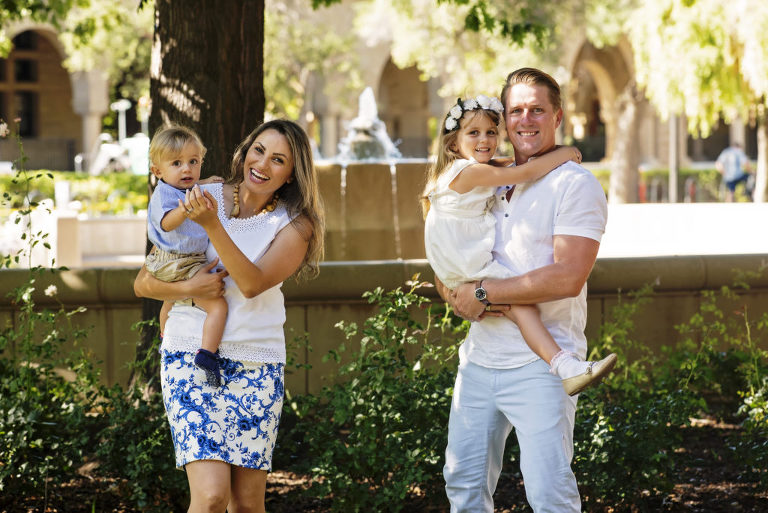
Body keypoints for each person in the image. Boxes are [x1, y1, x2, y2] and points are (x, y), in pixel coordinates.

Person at [437, 68, 609, 512]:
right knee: (464, 487)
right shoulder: (487, 178)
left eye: (537, 109)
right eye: (516, 110)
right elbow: (450, 246)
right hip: (478, 361)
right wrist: (453, 291)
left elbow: (567, 276)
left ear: (558, 116)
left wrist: (484, 293)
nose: (526, 119)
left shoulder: (576, 184)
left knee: (549, 495)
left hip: (540, 368)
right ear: (505, 120)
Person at [134, 119, 324, 513]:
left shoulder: (295, 223)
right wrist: (189, 289)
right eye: (258, 150)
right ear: (246, 150)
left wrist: (212, 224)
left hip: (257, 361)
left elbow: (252, 283)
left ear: (292, 172)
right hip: (191, 353)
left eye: (278, 160)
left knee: (247, 503)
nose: (262, 164)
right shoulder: (200, 192)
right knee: (210, 496)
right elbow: (144, 282)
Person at [423, 94, 616, 396]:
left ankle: (564, 366)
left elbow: (507, 163)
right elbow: (523, 172)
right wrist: (565, 152)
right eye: (473, 133)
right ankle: (565, 365)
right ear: (452, 143)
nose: (484, 139)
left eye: (490, 132)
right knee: (520, 304)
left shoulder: (463, 169)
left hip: (452, 260)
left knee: (512, 306)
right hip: (465, 259)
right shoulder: (472, 172)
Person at [146, 125, 227, 387]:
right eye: (177, 163)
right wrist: (186, 210)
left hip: (173, 261)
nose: (187, 169)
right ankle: (207, 354)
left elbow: (187, 187)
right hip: (179, 261)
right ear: (158, 171)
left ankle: (163, 335)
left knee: (169, 302)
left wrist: (204, 183)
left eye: (193, 162)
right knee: (218, 306)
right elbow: (167, 223)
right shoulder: (163, 195)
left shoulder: (181, 189)